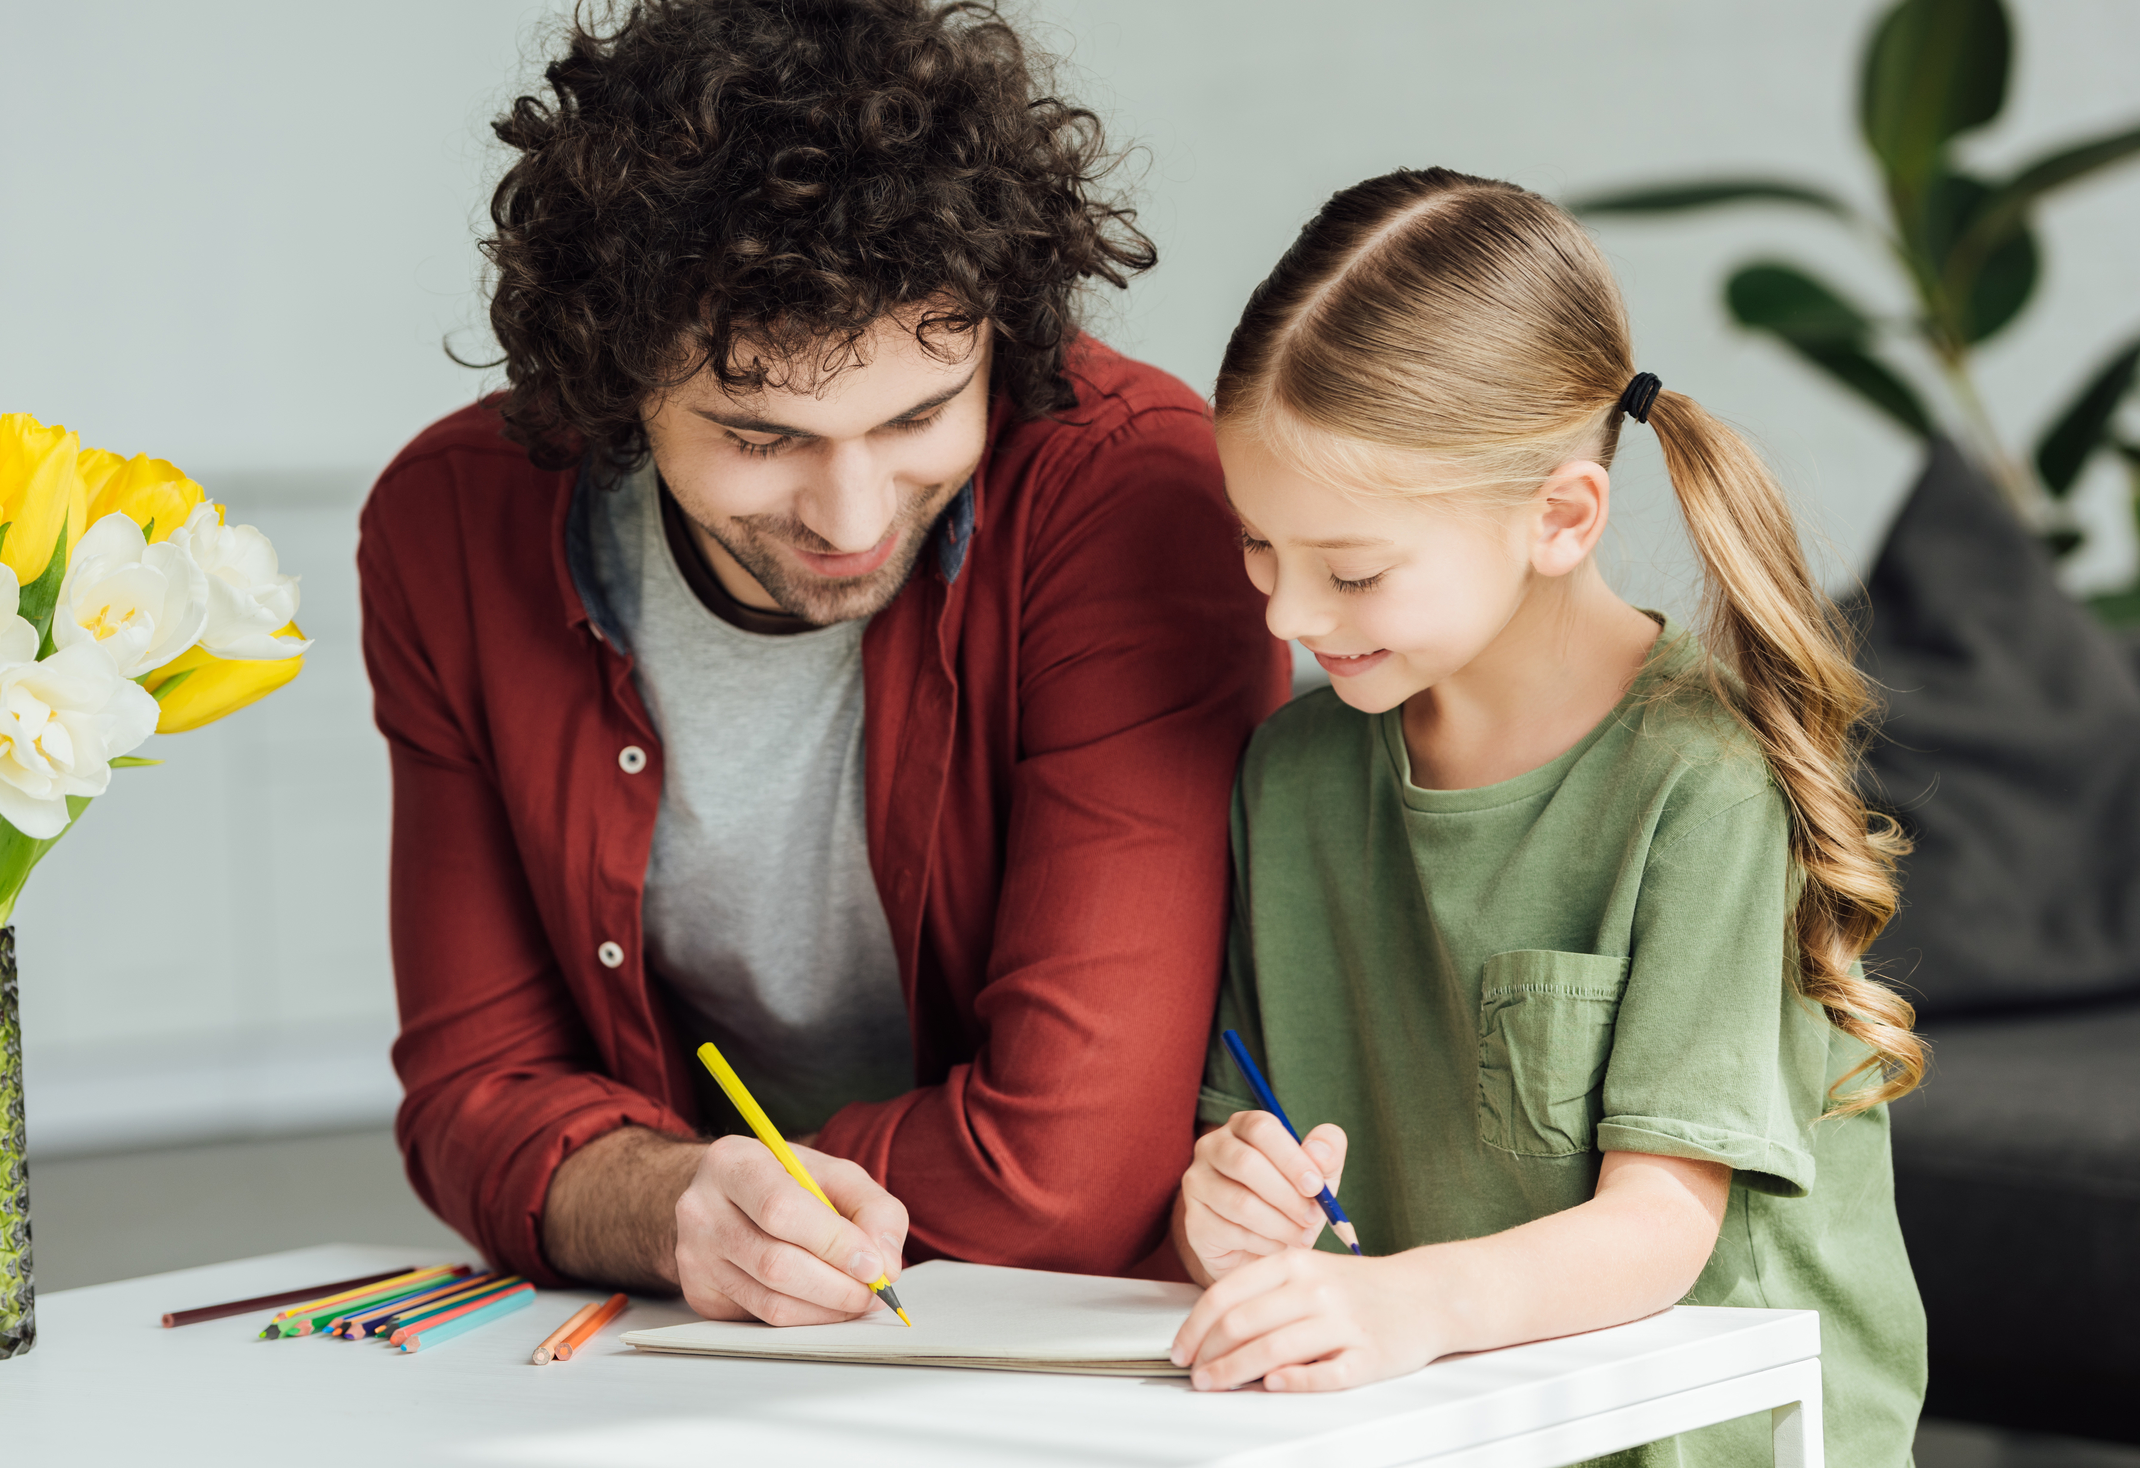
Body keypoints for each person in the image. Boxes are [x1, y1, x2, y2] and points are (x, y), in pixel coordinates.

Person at [358, 0, 1285, 1325]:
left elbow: (1070, 1173)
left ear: (999, 345)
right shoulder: (451, 525)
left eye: (919, 415)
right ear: (617, 386)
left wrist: (660, 1186)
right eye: (759, 436)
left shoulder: (1126, 491)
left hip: (1074, 1339)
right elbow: (473, 1092)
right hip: (704, 1344)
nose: (850, 521)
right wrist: (678, 1207)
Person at [1166, 168, 1928, 1465]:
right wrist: (1225, 1199)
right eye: (1259, 550)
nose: (1286, 618)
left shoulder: (1699, 782)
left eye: (1351, 569)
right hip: (1451, 1424)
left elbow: (1660, 1228)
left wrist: (1410, 1303)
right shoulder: (1289, 777)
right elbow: (1242, 1117)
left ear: (1561, 518)